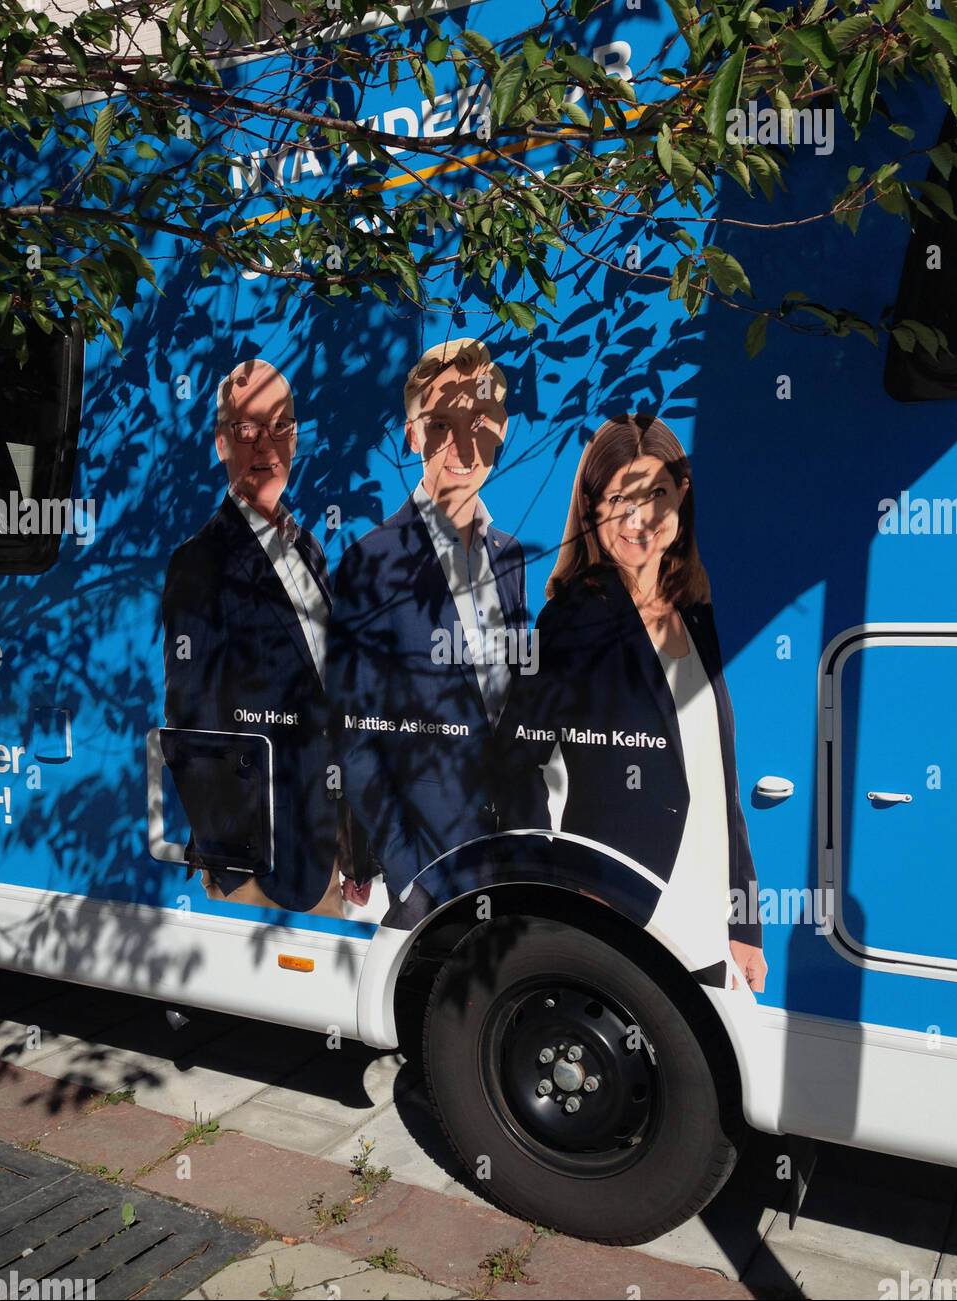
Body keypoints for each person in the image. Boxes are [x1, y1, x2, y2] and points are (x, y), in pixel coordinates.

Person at [499, 413, 768, 990]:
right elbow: (517, 766)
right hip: (625, 917)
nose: (638, 518)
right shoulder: (571, 620)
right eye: (619, 497)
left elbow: (717, 772)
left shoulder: (694, 611)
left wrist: (745, 921)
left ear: (682, 497)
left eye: (656, 495)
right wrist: (567, 890)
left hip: (707, 920)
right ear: (592, 506)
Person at [327, 337, 529, 919]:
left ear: (501, 428)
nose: (462, 444)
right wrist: (407, 870)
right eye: (440, 424)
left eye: (479, 420)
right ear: (412, 435)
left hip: (515, 862)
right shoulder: (373, 561)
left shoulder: (509, 557)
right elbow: (353, 735)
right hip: (432, 881)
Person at [162, 357, 368, 916]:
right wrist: (237, 859)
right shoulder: (200, 561)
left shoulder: (308, 549)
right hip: (259, 869)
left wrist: (353, 842)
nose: (265, 445)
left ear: (296, 438)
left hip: (322, 853)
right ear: (221, 443)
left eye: (280, 426)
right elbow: (189, 719)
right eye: (247, 429)